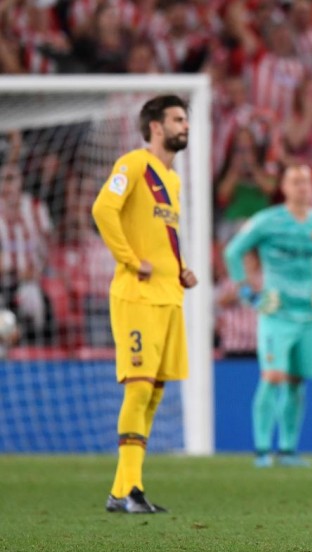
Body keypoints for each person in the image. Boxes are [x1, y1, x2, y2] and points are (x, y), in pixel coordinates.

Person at [92, 95, 197, 514]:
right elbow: (103, 209)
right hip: (136, 296)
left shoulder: (171, 180)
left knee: (153, 394)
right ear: (155, 126)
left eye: (186, 119)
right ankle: (131, 490)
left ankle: (122, 492)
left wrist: (182, 267)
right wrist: (131, 262)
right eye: (177, 119)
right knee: (138, 391)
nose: (184, 125)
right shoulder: (133, 164)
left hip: (168, 297)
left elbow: (161, 236)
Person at [224, 165, 312, 468]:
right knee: (272, 376)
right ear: (284, 187)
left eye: (306, 181)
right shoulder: (267, 221)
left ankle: (288, 449)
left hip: (309, 314)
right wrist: (248, 293)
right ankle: (263, 449)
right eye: (295, 181)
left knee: (295, 380)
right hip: (276, 312)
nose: (302, 187)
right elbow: (233, 252)